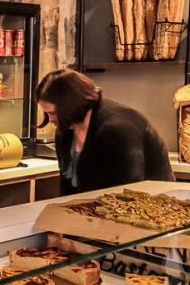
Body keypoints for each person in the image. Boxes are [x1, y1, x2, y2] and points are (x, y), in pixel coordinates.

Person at [35, 69, 174, 195]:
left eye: (53, 113)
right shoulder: (66, 131)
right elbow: (66, 186)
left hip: (151, 207)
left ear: (71, 105)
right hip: (97, 207)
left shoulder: (117, 129)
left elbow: (128, 193)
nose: (50, 119)